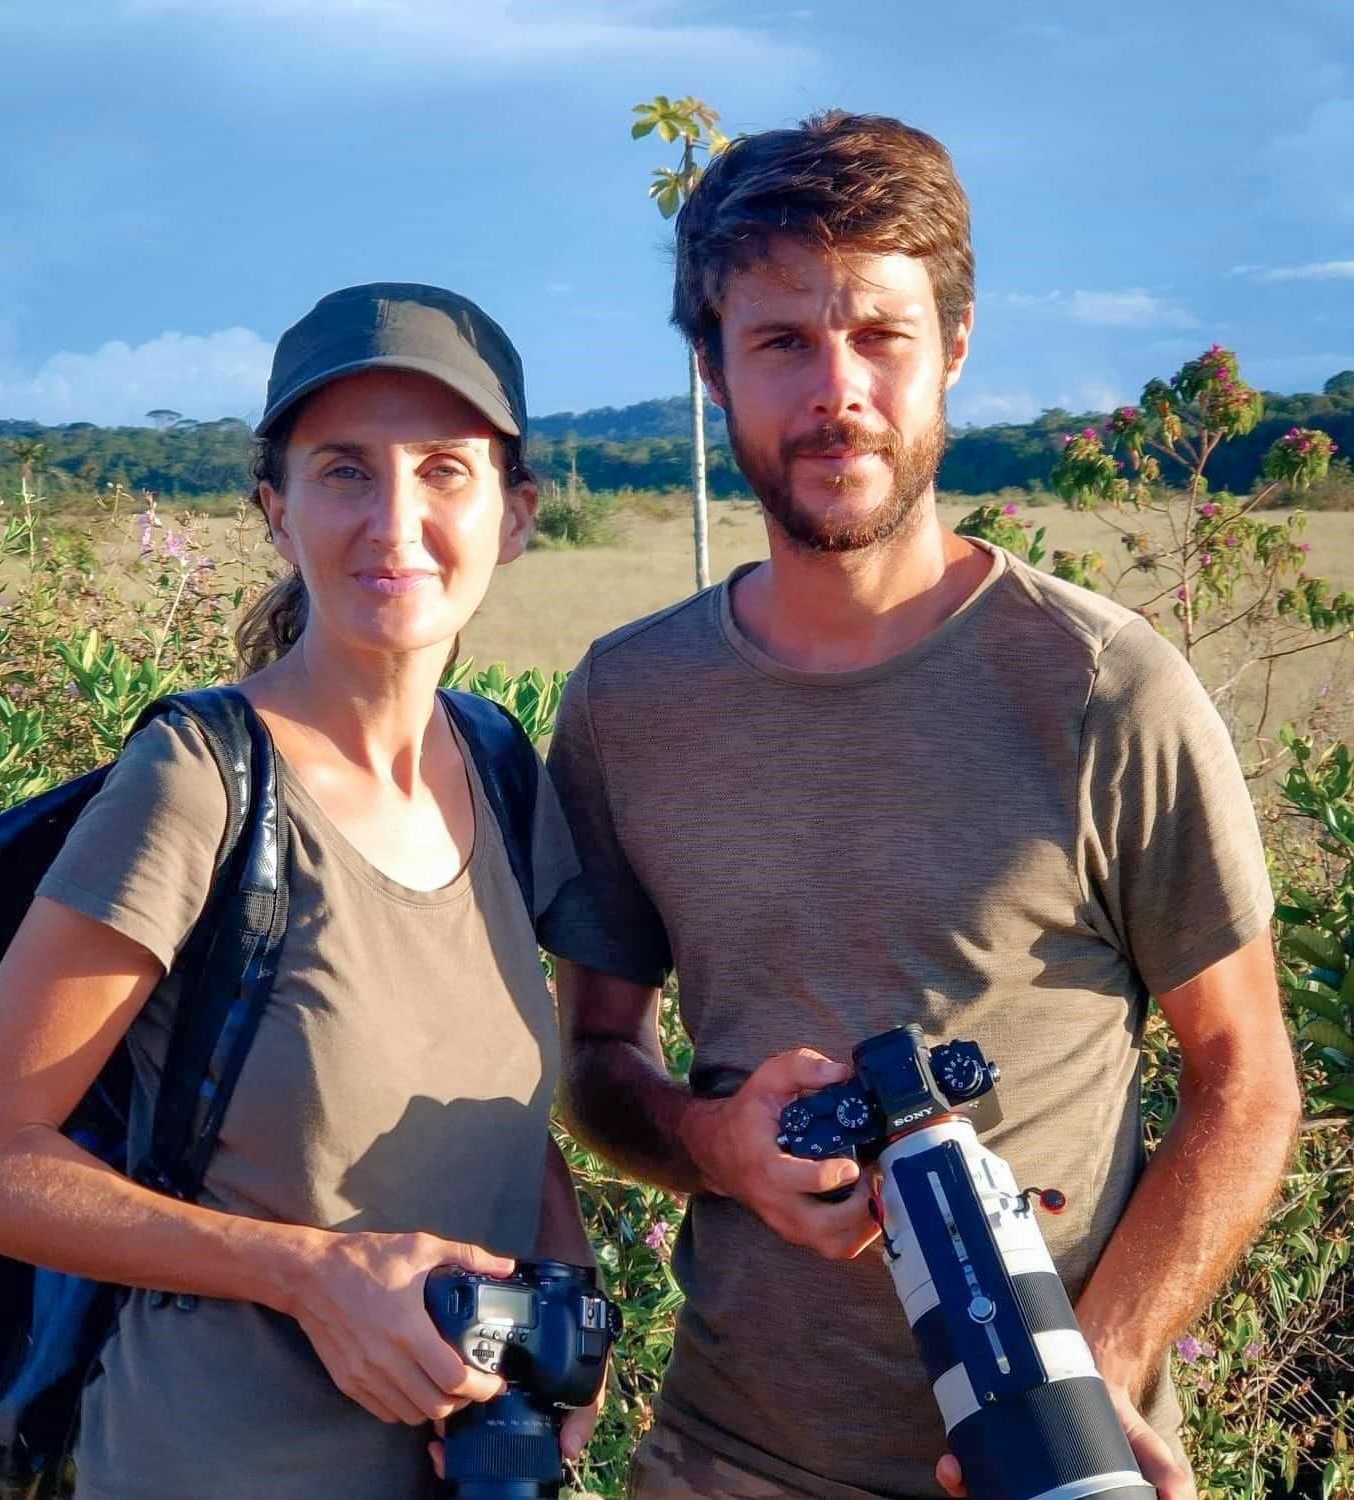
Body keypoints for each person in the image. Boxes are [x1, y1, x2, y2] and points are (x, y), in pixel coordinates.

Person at [538, 113, 1302, 1500]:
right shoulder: (627, 701)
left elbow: (1248, 1086)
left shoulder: (1104, 689)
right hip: (726, 1457)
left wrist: (1102, 1374)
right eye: (781, 342)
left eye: (880, 335)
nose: (840, 392)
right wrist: (716, 1144)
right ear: (711, 371)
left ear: (954, 346)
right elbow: (594, 1056)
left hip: (1045, 1470)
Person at [0, 283, 600, 1499]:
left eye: (445, 470)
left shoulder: (497, 767)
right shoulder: (198, 782)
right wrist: (306, 1273)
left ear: (516, 513)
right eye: (345, 471)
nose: (397, 521)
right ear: (276, 514)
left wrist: (565, 1305)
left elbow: (502, 1110)